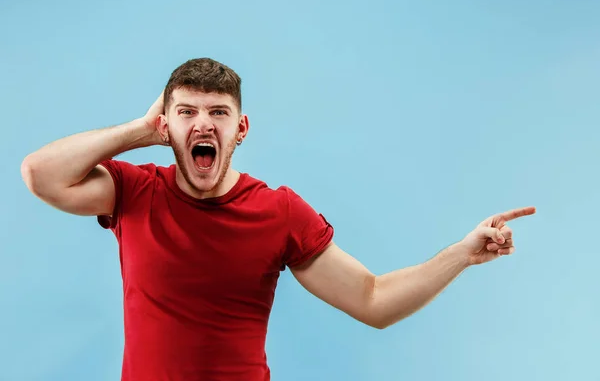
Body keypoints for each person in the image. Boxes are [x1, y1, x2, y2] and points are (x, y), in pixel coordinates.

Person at [21, 58, 535, 381]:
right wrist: (137, 130)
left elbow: (373, 300)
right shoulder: (135, 190)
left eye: (218, 112)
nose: (203, 122)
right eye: (186, 113)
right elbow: (41, 175)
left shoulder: (279, 211)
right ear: (166, 126)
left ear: (240, 127)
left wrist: (462, 254)